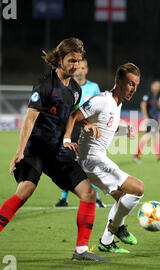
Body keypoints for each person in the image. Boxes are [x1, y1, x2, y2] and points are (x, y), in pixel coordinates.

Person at [0, 38, 106, 262]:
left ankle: (82, 250)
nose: (75, 66)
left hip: (56, 152)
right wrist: (20, 151)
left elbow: (71, 114)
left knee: (89, 193)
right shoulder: (44, 85)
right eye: (71, 61)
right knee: (25, 191)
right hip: (35, 149)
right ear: (60, 59)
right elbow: (29, 120)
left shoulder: (75, 89)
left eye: (78, 61)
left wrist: (85, 125)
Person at [63, 63, 144, 254]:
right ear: (118, 82)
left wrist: (124, 130)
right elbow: (74, 115)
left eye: (136, 85)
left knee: (123, 197)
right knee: (138, 188)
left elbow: (106, 126)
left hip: (98, 159)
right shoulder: (102, 100)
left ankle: (106, 242)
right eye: (130, 84)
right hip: (92, 160)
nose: (133, 89)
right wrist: (67, 139)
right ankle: (116, 228)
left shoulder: (117, 103)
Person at [55, 58, 106, 208]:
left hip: (88, 130)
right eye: (79, 68)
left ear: (87, 70)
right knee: (68, 162)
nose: (80, 71)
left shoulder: (94, 87)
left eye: (83, 68)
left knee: (90, 164)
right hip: (71, 129)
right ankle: (64, 198)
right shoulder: (69, 86)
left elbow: (100, 108)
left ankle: (95, 197)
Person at [133, 80, 160, 164]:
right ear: (152, 86)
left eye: (159, 86)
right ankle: (136, 156)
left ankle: (159, 158)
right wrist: (146, 117)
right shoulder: (148, 95)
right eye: (156, 85)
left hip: (155, 120)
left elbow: (158, 107)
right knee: (148, 136)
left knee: (155, 137)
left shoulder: (156, 97)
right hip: (151, 119)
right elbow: (143, 104)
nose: (158, 87)